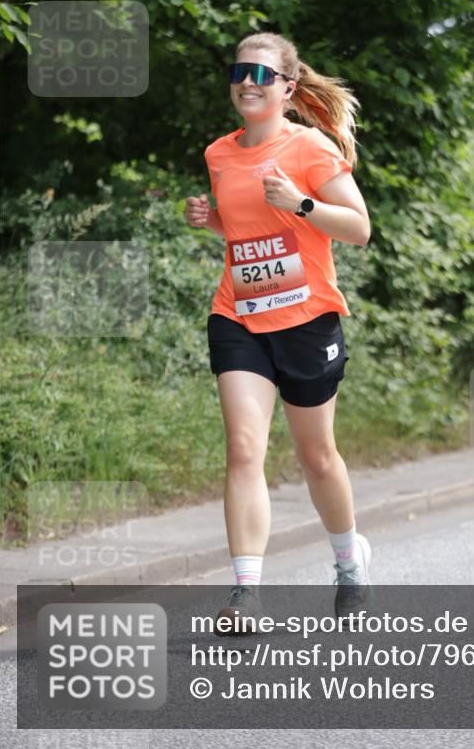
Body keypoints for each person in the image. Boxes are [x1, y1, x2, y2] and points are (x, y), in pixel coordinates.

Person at [185, 31, 372, 630]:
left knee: (317, 457)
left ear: (288, 90)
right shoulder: (219, 153)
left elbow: (359, 228)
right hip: (238, 314)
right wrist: (212, 220)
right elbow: (246, 234)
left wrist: (301, 204)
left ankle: (349, 565)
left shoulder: (310, 148)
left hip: (307, 318)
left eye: (263, 74)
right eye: (241, 71)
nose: (248, 81)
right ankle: (247, 594)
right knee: (244, 449)